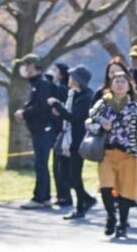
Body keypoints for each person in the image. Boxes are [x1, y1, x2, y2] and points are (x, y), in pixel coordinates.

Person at [87, 71, 137, 239]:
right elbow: (89, 120)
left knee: (125, 190)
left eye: (123, 81)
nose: (120, 84)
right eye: (116, 81)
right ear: (111, 85)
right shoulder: (102, 104)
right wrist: (101, 124)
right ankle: (110, 216)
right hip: (107, 152)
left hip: (128, 154)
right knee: (106, 186)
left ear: (129, 86)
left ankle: (122, 224)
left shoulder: (135, 107)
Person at [47, 65, 98, 220]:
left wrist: (56, 104)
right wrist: (59, 110)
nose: (69, 79)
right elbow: (66, 115)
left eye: (72, 77)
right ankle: (88, 199)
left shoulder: (87, 96)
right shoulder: (72, 93)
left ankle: (80, 207)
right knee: (64, 175)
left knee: (74, 175)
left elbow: (74, 117)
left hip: (78, 140)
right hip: (66, 140)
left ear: (78, 80)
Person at [13, 53, 57, 209]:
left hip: (44, 130)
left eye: (24, 65)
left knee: (40, 164)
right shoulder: (36, 83)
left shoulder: (42, 84)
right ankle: (45, 197)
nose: (22, 69)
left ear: (31, 67)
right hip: (39, 130)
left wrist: (24, 113)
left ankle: (39, 198)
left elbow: (42, 106)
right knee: (41, 164)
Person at [49, 63, 73, 207]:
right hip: (61, 131)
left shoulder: (61, 89)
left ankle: (64, 196)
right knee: (60, 165)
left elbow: (61, 111)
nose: (53, 73)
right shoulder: (65, 88)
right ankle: (62, 195)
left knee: (59, 165)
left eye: (55, 70)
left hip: (60, 131)